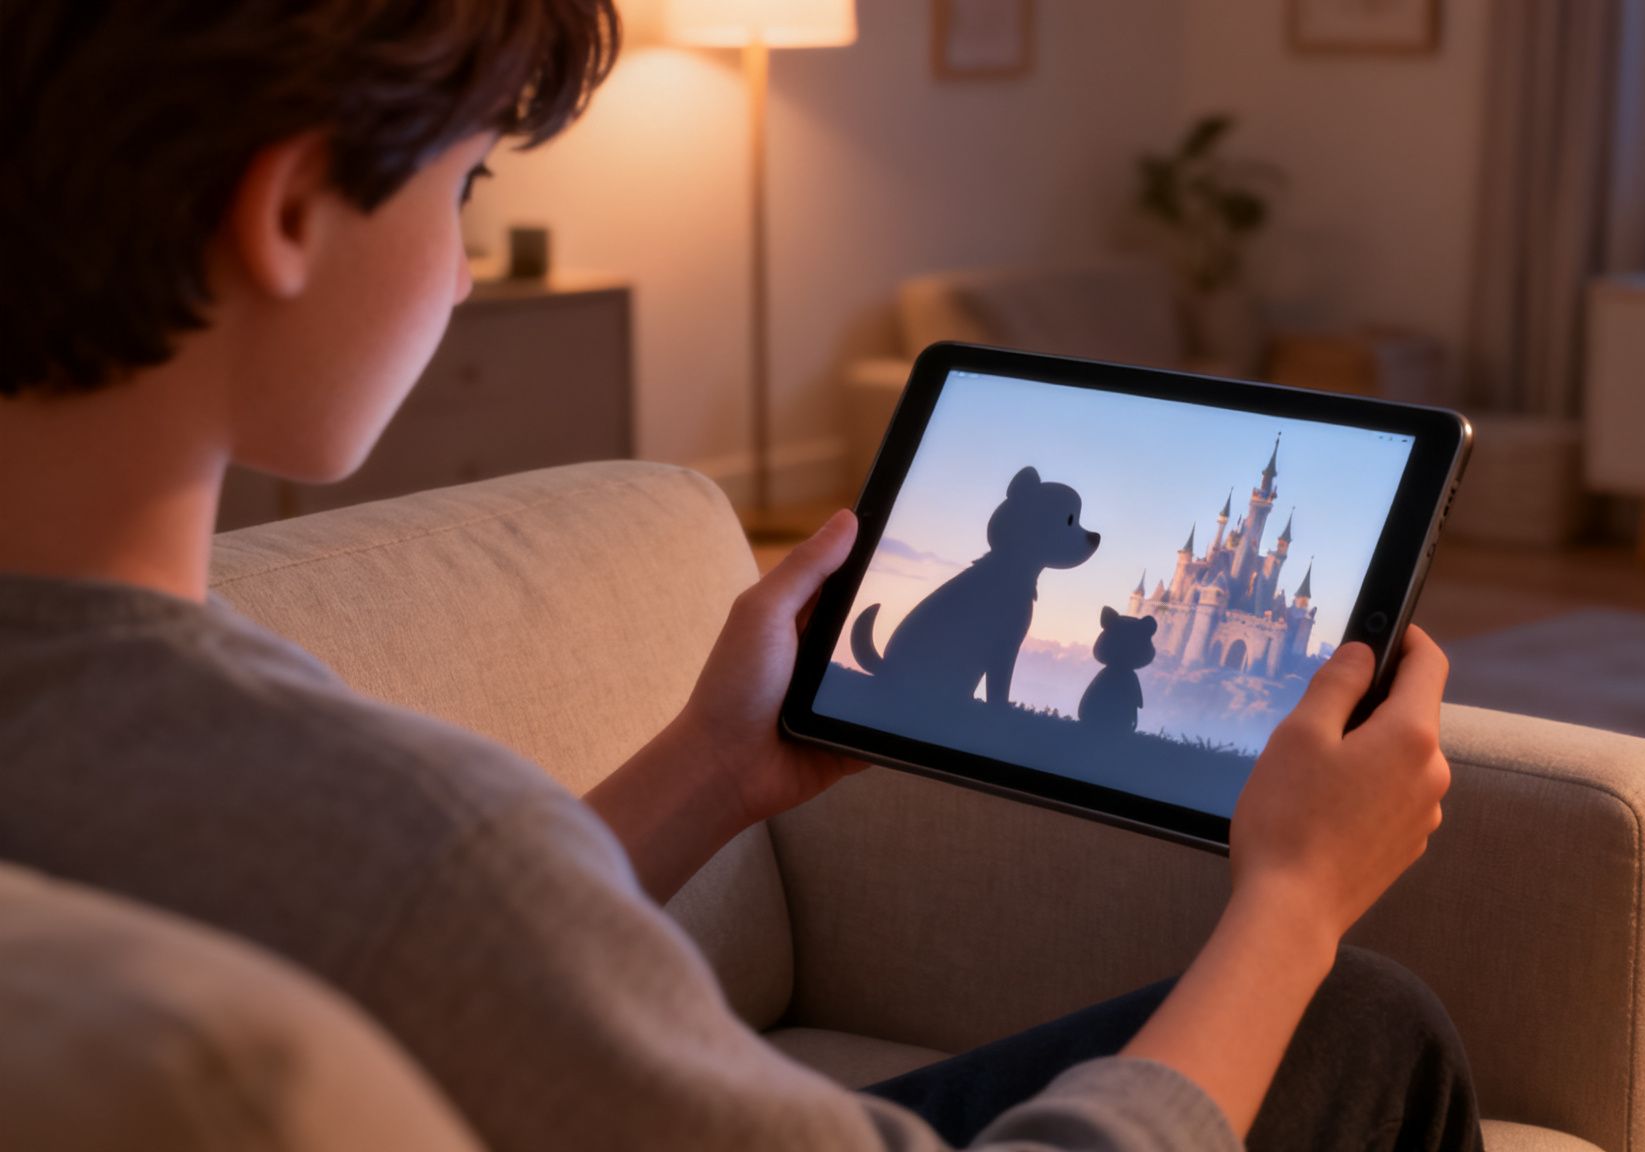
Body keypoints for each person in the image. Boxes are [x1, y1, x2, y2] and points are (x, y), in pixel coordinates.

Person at [0, 3, 1480, 1150]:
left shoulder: (204, 790)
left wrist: (715, 766)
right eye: (468, 186)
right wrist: (1292, 899)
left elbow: (392, 955)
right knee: (1359, 1019)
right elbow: (433, 908)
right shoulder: (416, 839)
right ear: (288, 212)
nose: (462, 270)